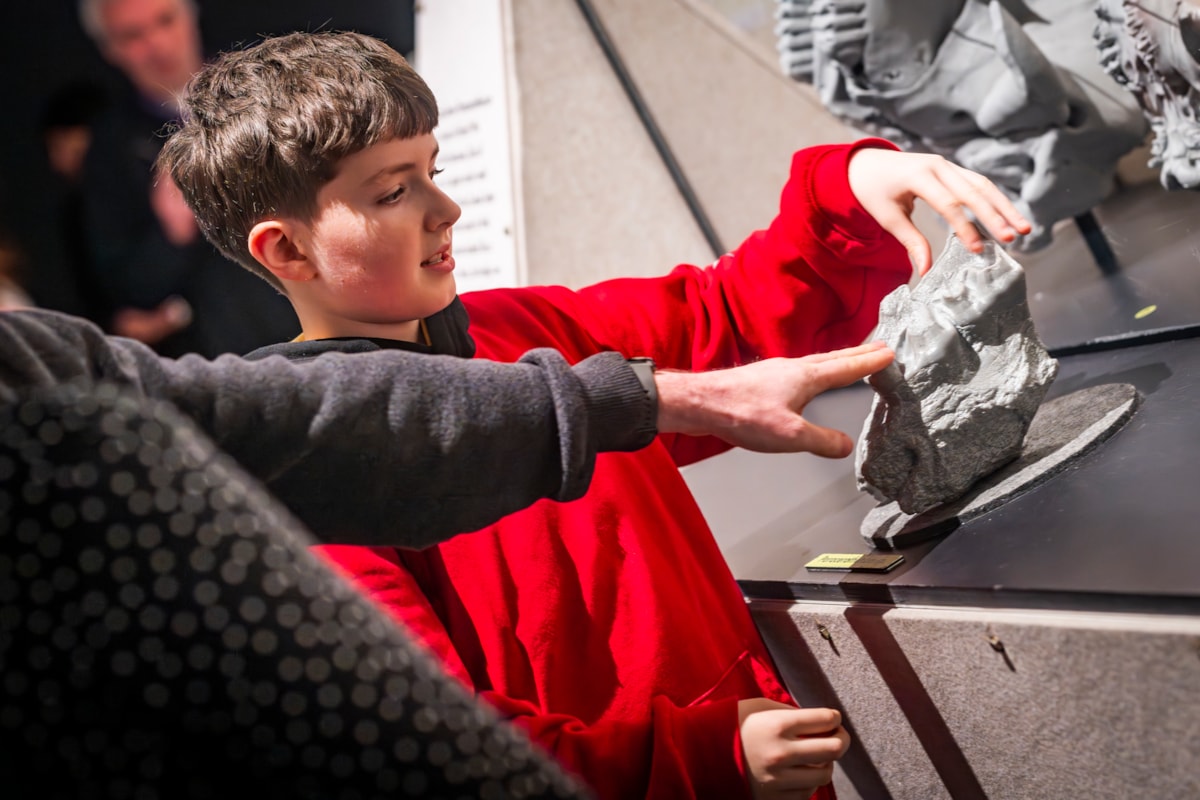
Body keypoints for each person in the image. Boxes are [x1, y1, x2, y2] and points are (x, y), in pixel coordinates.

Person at [157, 31, 1031, 800]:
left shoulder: (525, 331)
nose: (444, 210)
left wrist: (848, 184)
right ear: (287, 247)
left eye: (434, 172)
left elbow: (718, 317)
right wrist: (689, 759)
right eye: (392, 193)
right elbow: (433, 737)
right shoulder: (319, 488)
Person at [76, 0, 297, 356]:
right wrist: (172, 230)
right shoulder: (111, 147)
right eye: (134, 35)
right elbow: (125, 293)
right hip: (218, 360)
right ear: (110, 49)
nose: (158, 43)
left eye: (166, 20)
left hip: (313, 324)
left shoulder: (264, 91)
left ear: (191, 15)